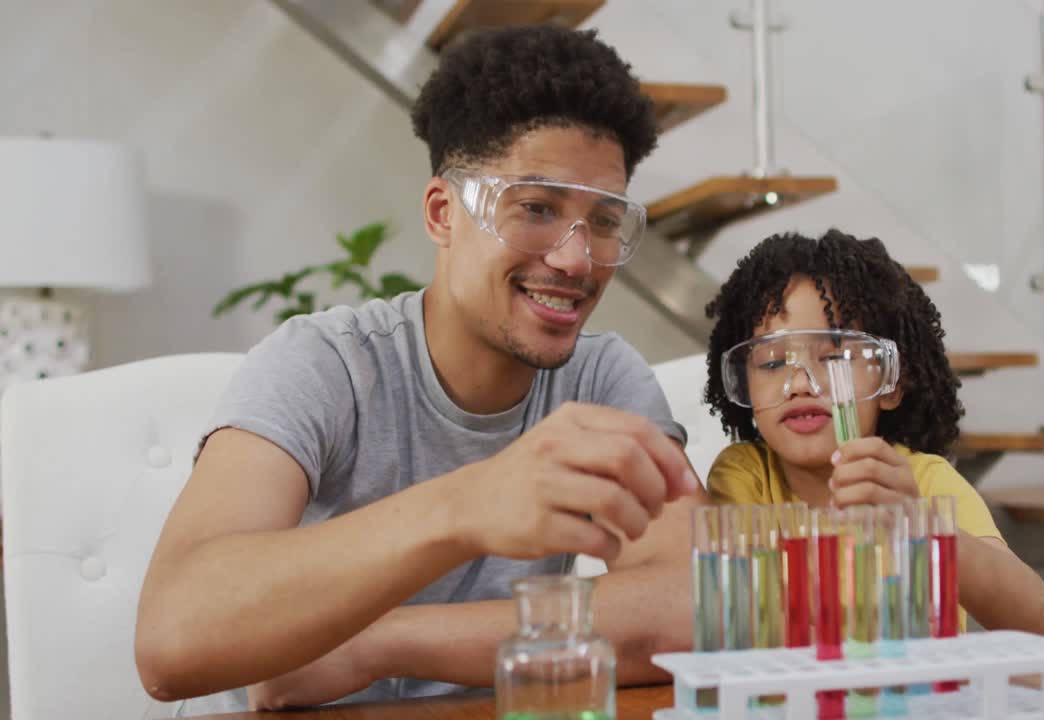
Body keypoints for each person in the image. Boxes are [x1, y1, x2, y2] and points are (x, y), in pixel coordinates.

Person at [135, 25, 704, 713]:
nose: (577, 259)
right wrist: (467, 505)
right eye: (535, 208)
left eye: (606, 221)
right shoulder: (325, 364)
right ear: (443, 214)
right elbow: (174, 637)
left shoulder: (602, 379)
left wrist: (379, 641)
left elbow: (693, 606)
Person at [702, 229, 1044, 633]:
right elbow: (741, 612)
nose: (800, 383)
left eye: (834, 357)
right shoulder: (746, 476)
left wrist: (923, 527)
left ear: (892, 382)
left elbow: (1041, 620)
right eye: (773, 363)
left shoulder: (924, 481)